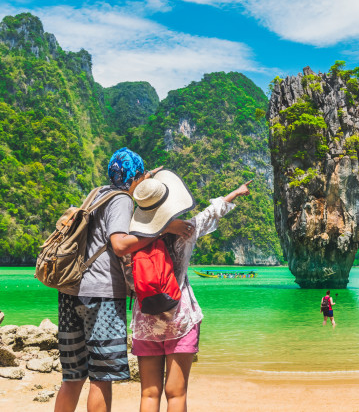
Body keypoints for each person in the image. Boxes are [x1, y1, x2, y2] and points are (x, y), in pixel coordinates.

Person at [54, 148, 191, 412]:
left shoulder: (95, 194)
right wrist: (163, 228)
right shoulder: (121, 200)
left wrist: (148, 173)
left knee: (72, 376)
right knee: (101, 376)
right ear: (136, 178)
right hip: (101, 295)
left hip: (70, 292)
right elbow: (119, 244)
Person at [129, 173, 252, 412]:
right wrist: (236, 193)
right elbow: (212, 212)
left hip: (145, 319)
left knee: (148, 394)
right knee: (176, 394)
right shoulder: (185, 229)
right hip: (179, 315)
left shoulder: (131, 239)